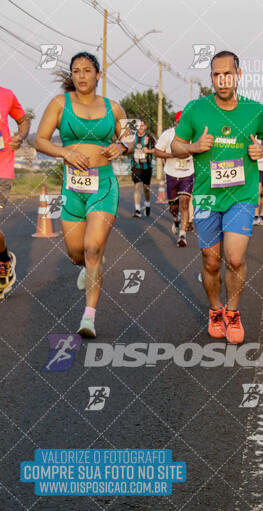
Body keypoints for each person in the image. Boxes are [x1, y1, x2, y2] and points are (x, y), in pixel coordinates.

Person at [171, 50, 263, 344]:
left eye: (228, 73)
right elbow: (176, 145)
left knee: (236, 258)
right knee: (211, 260)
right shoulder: (195, 109)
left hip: (241, 194)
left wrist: (262, 150)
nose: (222, 79)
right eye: (216, 74)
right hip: (206, 197)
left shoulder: (256, 111)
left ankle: (233, 312)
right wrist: (193, 147)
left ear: (238, 75)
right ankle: (216, 310)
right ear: (211, 78)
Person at [35, 51, 133, 338]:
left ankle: (88, 318)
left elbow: (129, 134)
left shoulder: (113, 107)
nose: (81, 75)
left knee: (92, 249)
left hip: (103, 186)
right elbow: (40, 140)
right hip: (72, 187)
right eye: (76, 71)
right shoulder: (58, 104)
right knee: (77, 253)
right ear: (72, 75)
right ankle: (91, 263)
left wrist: (122, 147)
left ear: (98, 75)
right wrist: (65, 151)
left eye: (87, 70)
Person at [0, 86, 30, 299]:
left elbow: (23, 120)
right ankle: (3, 259)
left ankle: (3, 263)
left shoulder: (7, 94)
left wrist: (20, 136)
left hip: (1, 169)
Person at [155, 110, 194, 247]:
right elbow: (157, 151)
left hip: (188, 173)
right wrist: (172, 155)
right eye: (179, 121)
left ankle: (182, 235)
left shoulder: (193, 134)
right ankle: (175, 218)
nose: (182, 124)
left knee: (184, 201)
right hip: (171, 173)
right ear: (176, 122)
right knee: (173, 205)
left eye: (184, 121)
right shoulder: (168, 134)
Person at [130, 119, 155, 218]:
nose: (140, 128)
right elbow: (126, 148)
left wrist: (148, 151)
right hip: (136, 166)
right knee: (137, 186)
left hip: (147, 167)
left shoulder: (149, 137)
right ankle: (137, 210)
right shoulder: (132, 138)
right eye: (138, 126)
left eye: (142, 126)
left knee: (146, 188)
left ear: (145, 127)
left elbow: (157, 149)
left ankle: (148, 204)